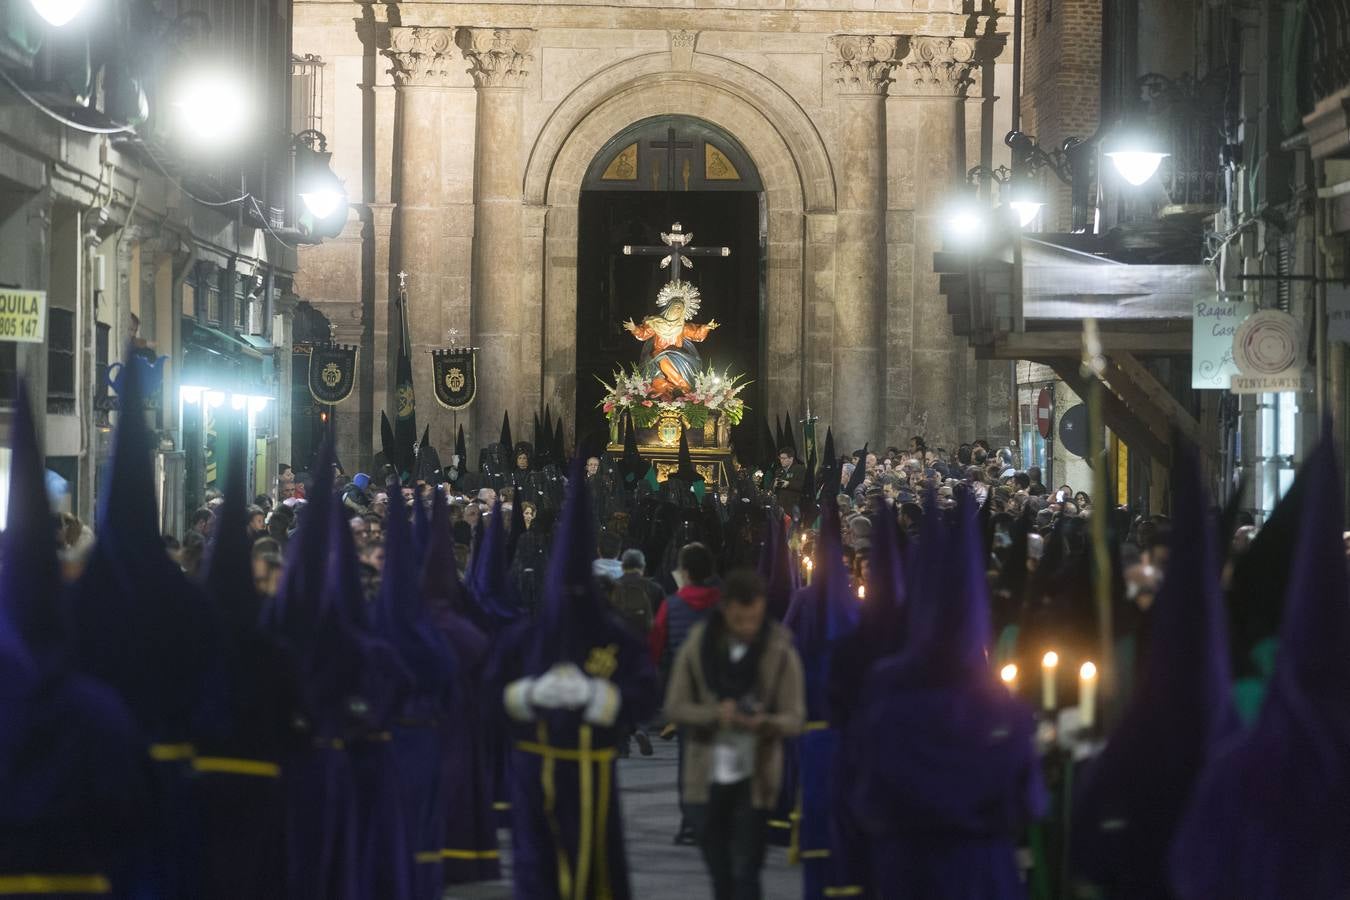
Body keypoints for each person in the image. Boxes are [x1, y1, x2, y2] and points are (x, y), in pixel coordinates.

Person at [664, 568, 805, 900]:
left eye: (754, 619)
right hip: (706, 777)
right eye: (740, 620)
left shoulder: (779, 650)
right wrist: (714, 714)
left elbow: (795, 717)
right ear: (725, 610)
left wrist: (765, 722)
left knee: (746, 873)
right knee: (720, 874)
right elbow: (675, 706)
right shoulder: (699, 646)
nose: (747, 628)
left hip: (755, 779)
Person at [771, 447, 805, 515]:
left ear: (791, 459)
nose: (781, 460)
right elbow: (771, 488)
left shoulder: (799, 469)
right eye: (780, 458)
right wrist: (773, 485)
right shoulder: (779, 471)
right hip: (780, 507)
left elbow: (803, 485)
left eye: (784, 458)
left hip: (794, 506)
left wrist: (788, 484)